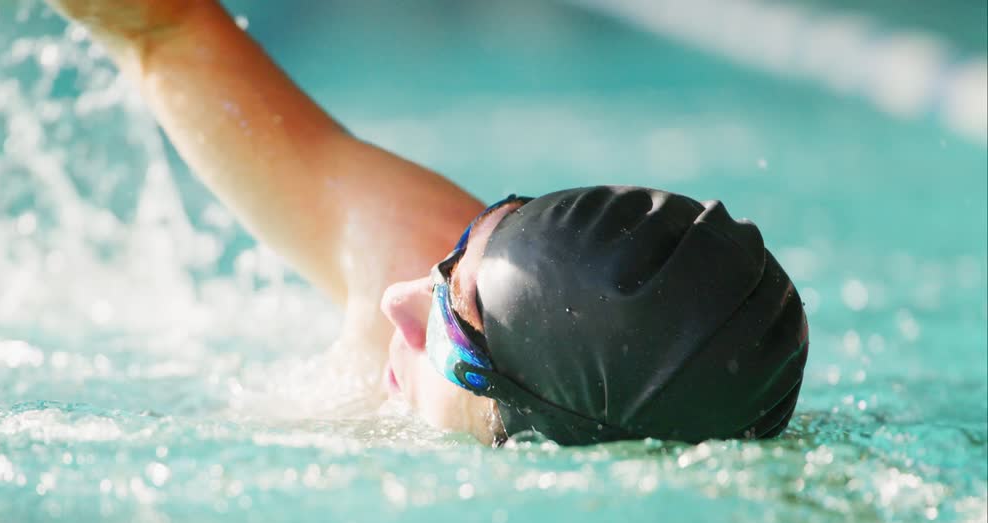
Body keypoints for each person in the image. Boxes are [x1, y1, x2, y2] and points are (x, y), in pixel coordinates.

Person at [49, 0, 810, 445]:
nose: (397, 299)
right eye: (459, 252)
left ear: (538, 435)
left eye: (455, 312)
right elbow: (167, 31)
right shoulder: (410, 254)